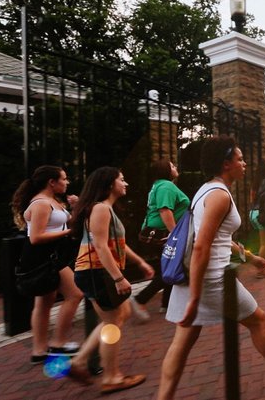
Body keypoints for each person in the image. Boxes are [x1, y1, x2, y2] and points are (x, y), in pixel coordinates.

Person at [157, 136, 265, 398]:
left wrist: (249, 257)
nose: (244, 164)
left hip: (194, 278)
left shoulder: (206, 190)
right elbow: (201, 246)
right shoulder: (219, 195)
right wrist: (196, 296)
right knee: (258, 319)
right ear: (226, 163)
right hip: (213, 279)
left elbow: (216, 238)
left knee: (181, 343)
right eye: (239, 159)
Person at [66, 167, 155, 394]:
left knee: (118, 316)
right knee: (112, 322)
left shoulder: (105, 209)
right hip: (96, 272)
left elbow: (119, 244)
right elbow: (101, 246)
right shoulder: (101, 209)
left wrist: (140, 263)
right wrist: (118, 277)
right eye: (122, 180)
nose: (126, 184)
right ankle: (111, 377)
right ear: (109, 185)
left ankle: (79, 362)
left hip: (96, 272)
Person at [11, 165, 83, 364]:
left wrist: (75, 207)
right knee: (75, 294)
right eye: (64, 178)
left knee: (44, 303)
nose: (67, 182)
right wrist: (67, 233)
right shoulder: (42, 203)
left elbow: (68, 223)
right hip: (41, 256)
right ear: (52, 182)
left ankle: (39, 351)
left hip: (50, 254)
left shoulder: (53, 201)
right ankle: (58, 343)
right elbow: (35, 237)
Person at [129, 159, 190, 322]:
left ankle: (167, 303)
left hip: (155, 232)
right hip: (162, 234)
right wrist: (175, 235)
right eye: (172, 166)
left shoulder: (158, 186)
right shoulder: (165, 186)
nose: (175, 167)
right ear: (165, 170)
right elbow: (165, 211)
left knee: (170, 266)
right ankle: (140, 299)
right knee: (171, 268)